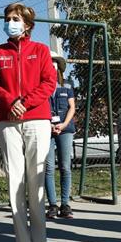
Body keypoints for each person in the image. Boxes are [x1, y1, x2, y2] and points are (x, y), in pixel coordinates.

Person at [0, 3, 57, 242]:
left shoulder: (40, 51)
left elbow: (49, 82)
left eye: (15, 18)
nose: (10, 22)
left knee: (36, 181)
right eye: (7, 18)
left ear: (27, 24)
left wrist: (24, 102)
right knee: (14, 180)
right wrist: (10, 101)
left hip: (37, 119)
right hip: (7, 121)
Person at [44, 52, 76, 220]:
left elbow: (72, 107)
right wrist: (48, 125)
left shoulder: (68, 85)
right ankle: (52, 205)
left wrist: (63, 125)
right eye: (48, 62)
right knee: (48, 168)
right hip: (46, 130)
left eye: (54, 62)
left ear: (58, 66)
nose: (51, 65)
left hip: (65, 129)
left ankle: (65, 204)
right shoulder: (40, 84)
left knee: (65, 166)